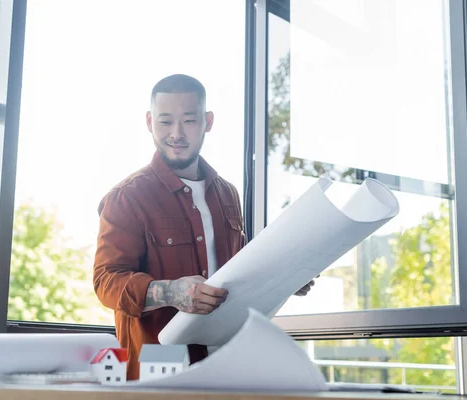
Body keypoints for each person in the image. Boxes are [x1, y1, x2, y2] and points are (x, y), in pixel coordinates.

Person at [93, 74, 315, 381]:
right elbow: (106, 282)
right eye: (166, 121)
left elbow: (240, 272)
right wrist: (170, 292)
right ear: (149, 122)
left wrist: (286, 278)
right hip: (159, 358)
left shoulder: (227, 194)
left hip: (227, 356)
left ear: (208, 121)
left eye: (189, 121)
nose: (177, 133)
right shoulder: (128, 197)